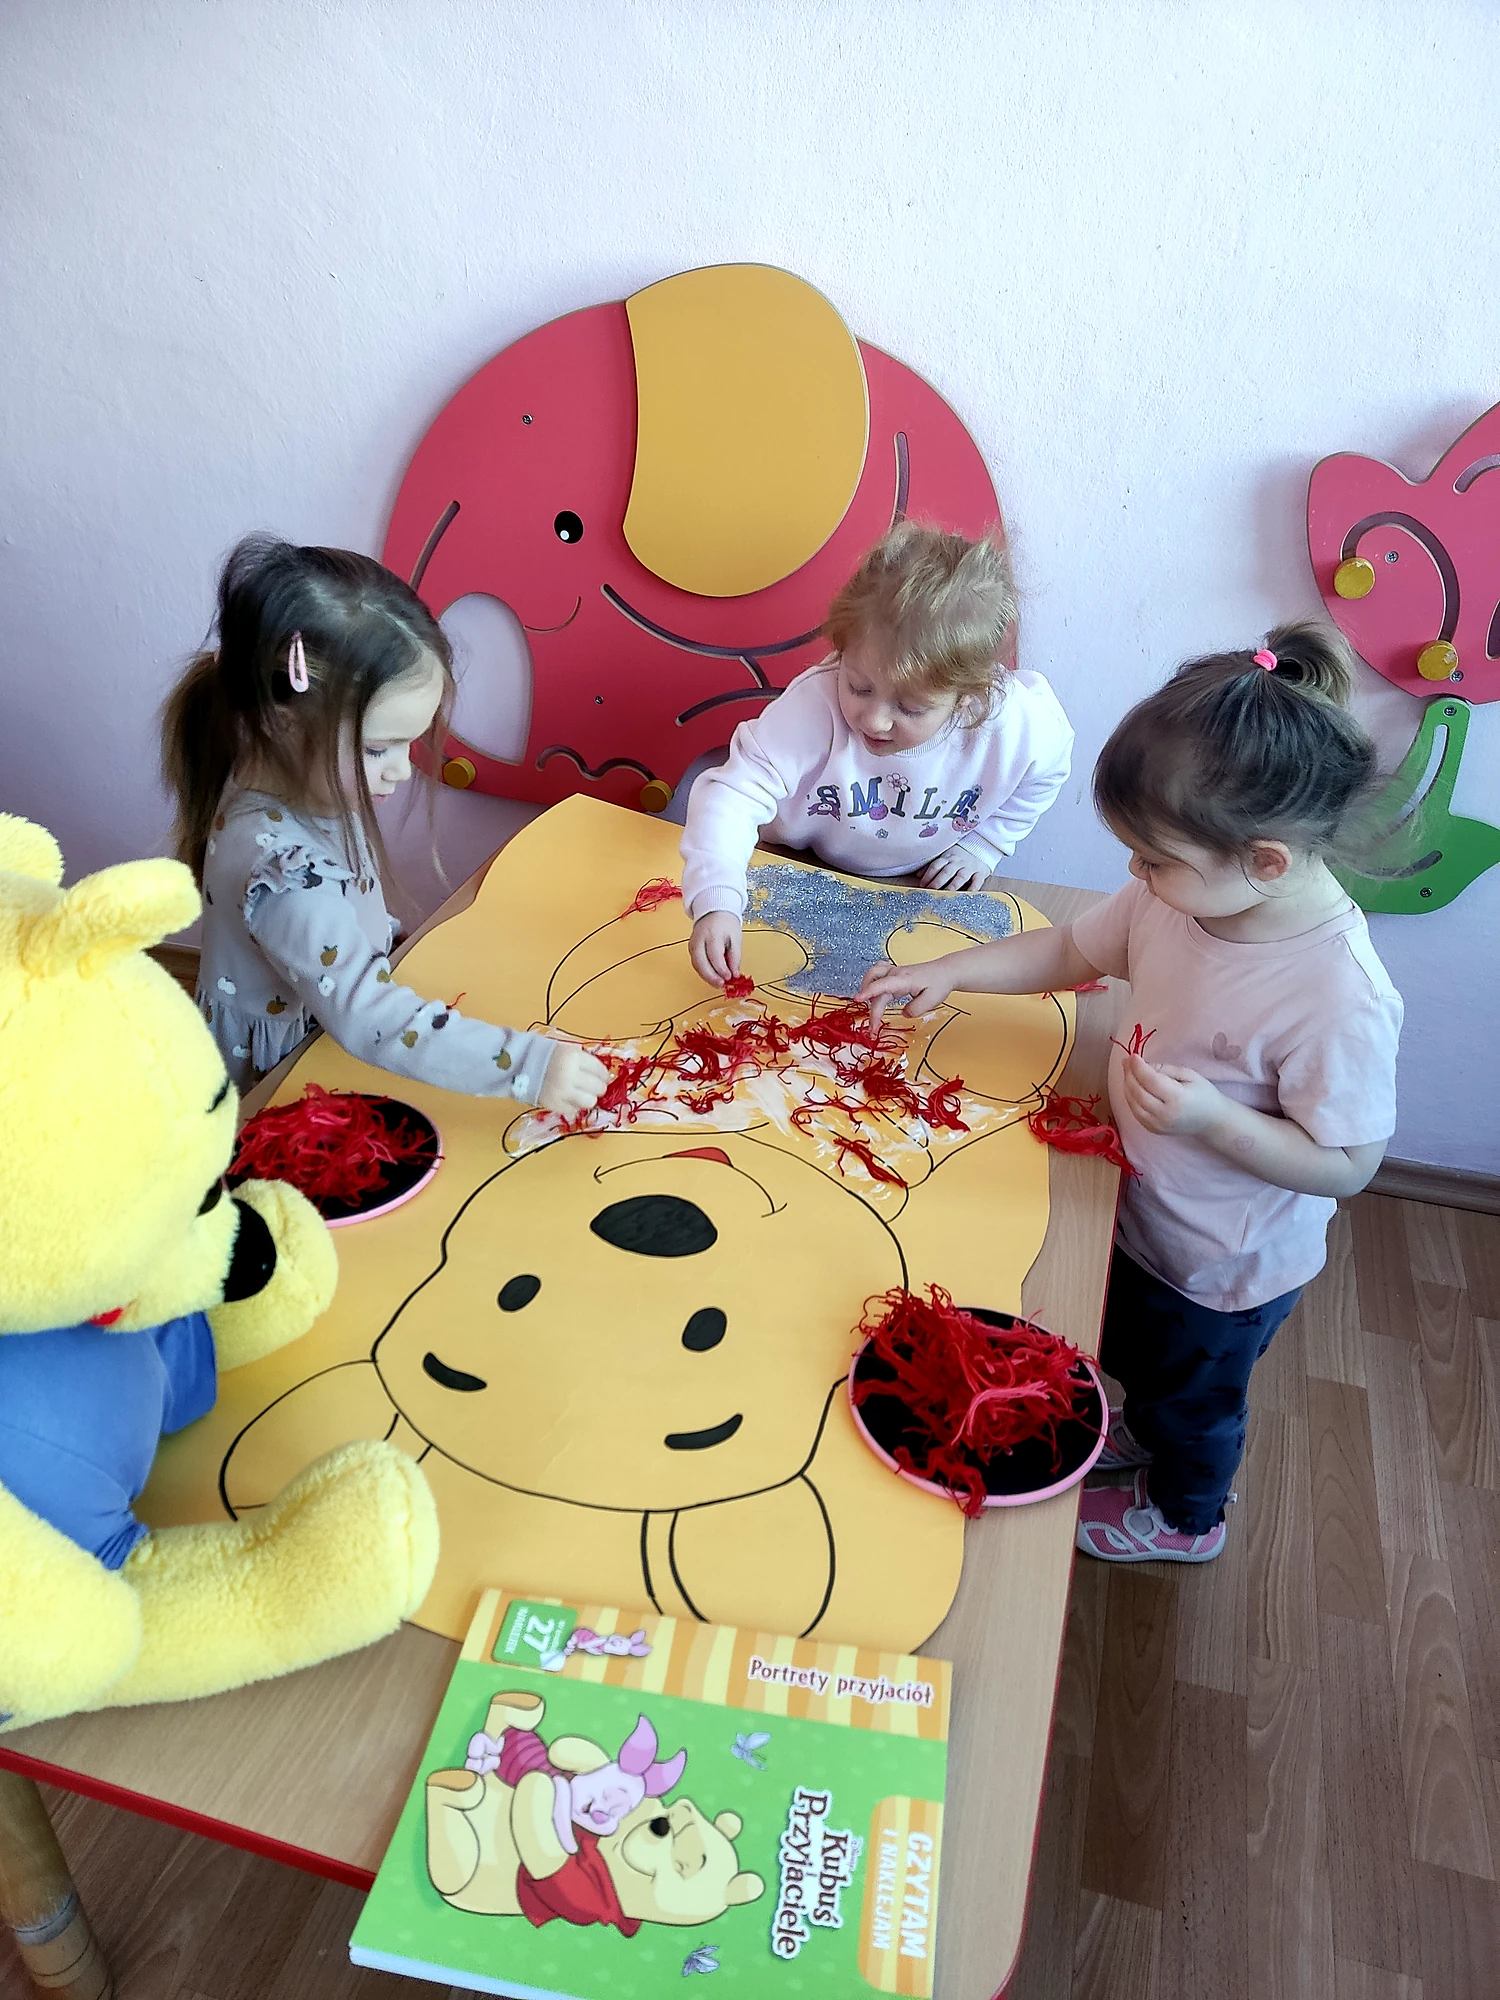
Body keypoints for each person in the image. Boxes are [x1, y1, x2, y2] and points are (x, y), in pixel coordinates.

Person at [860, 622, 1402, 1563]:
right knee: (1136, 1360)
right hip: (1138, 1206)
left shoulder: (1337, 995)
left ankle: (1189, 1516)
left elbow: (1349, 1164)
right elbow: (1072, 950)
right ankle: (1141, 1426)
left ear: (1266, 860)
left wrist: (1214, 1119)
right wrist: (952, 970)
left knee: (1193, 1404)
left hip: (1220, 1268)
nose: (1134, 875)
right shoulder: (1178, 897)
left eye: (1154, 858)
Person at [161, 536, 607, 1116]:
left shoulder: (291, 770)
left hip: (329, 1029)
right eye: (379, 748)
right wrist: (527, 1067)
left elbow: (346, 921)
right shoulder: (284, 875)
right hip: (282, 1086)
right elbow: (366, 1015)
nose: (402, 769)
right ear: (280, 722)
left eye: (410, 742)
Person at [679, 522, 1073, 986]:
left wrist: (986, 844)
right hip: (788, 859)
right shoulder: (813, 707)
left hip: (911, 888)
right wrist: (717, 899)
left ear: (967, 697)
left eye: (910, 708)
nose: (875, 720)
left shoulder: (1012, 725)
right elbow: (732, 794)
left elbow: (1051, 766)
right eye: (859, 686)